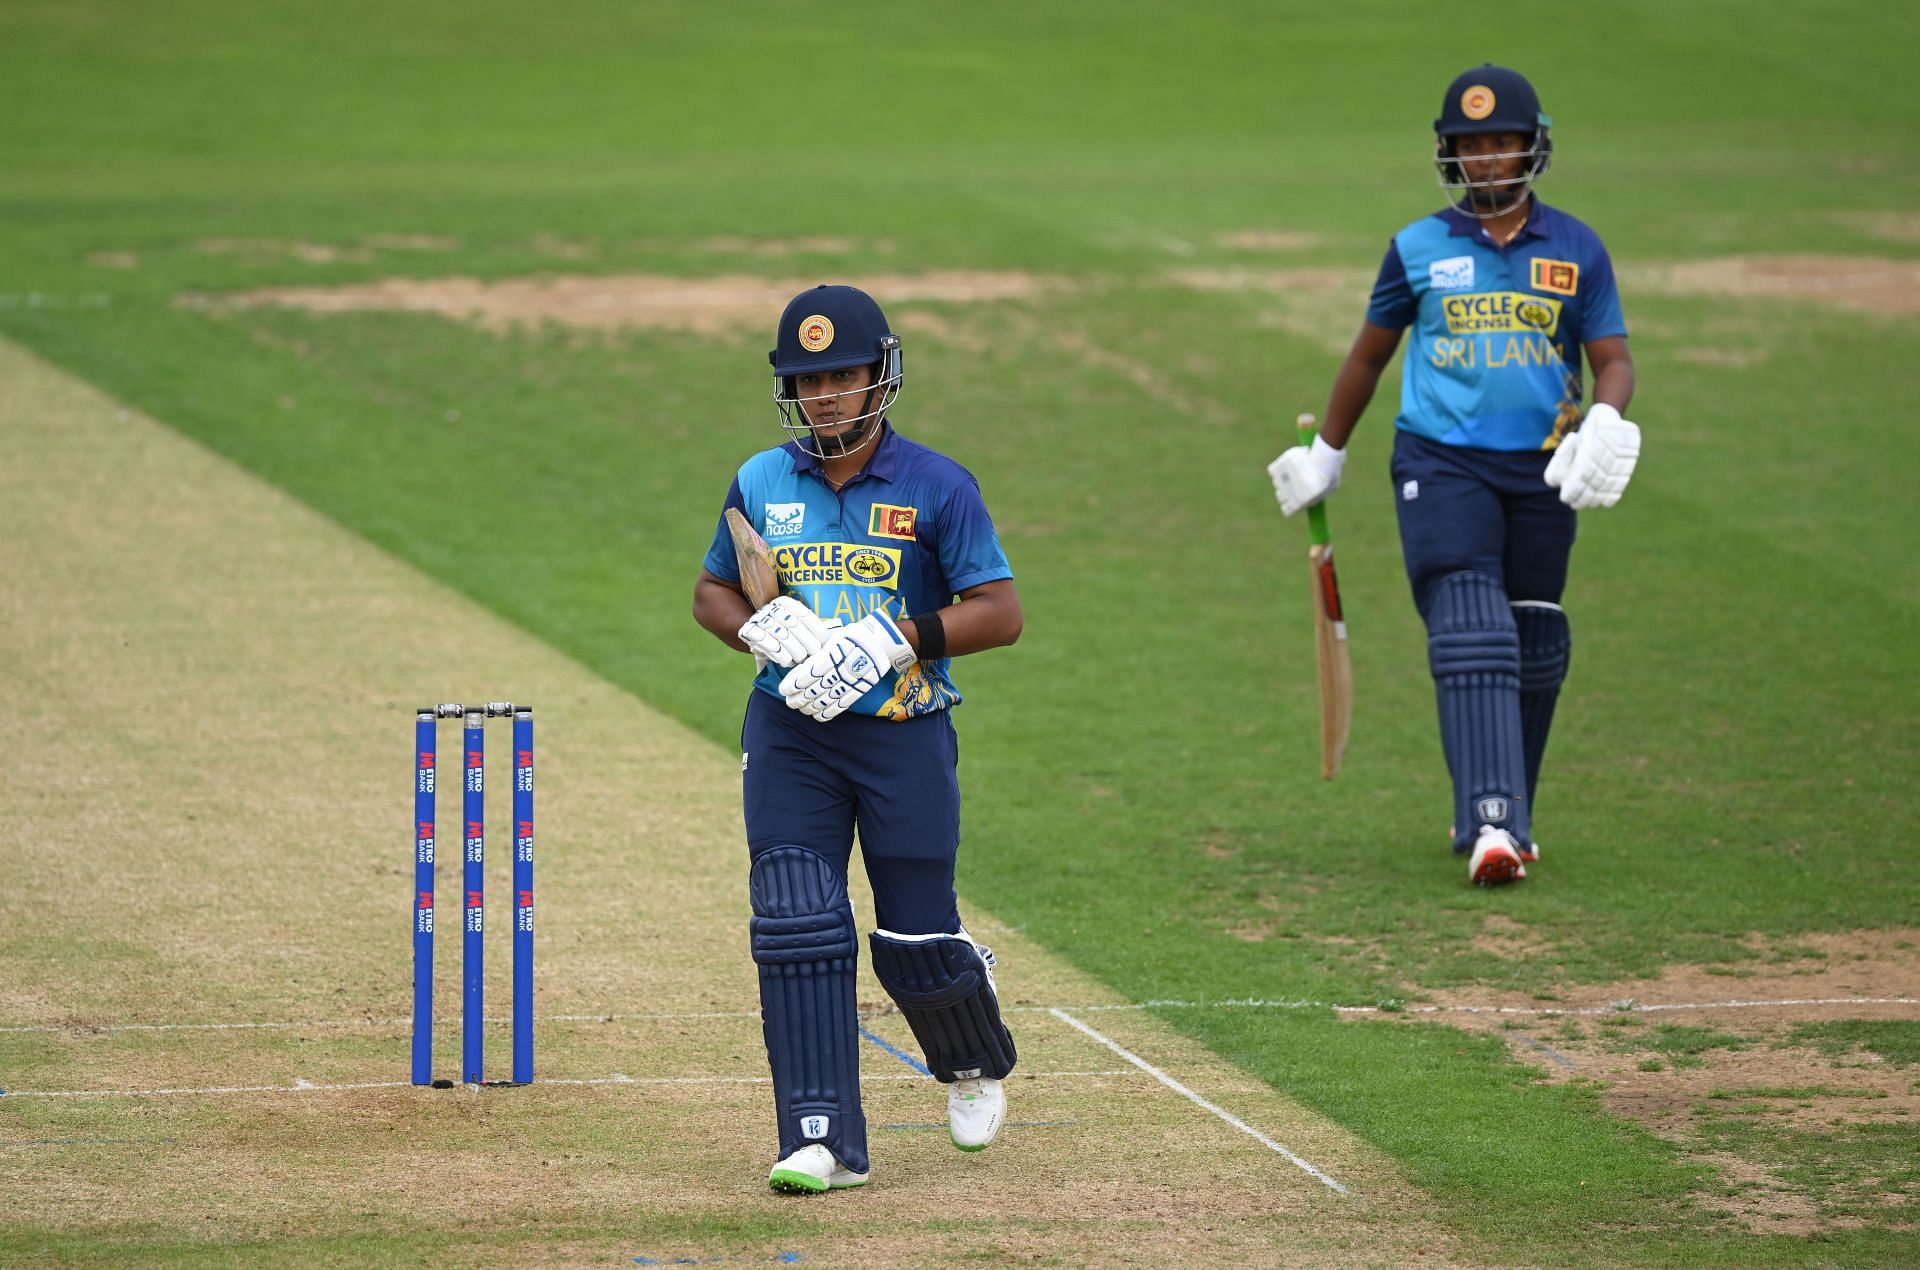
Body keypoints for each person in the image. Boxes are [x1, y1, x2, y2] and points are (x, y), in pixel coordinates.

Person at [1267, 65, 1642, 887]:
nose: (1487, 160)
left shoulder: (1577, 249)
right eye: (1471, 146)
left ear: (1531, 146)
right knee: (1473, 626)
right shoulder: (1418, 248)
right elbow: (1370, 356)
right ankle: (1491, 824)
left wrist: (1608, 419)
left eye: (1501, 142)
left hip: (1546, 468)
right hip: (1439, 463)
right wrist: (1327, 452)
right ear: (1450, 155)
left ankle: (1508, 813)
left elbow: (1612, 358)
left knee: (1536, 639)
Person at [693, 284, 1024, 1193]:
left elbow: (1000, 613)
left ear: (880, 374)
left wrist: (895, 635)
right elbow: (713, 591)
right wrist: (758, 632)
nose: (827, 393)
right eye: (809, 379)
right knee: (797, 919)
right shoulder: (762, 479)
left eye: (843, 373)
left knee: (914, 938)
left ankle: (968, 1058)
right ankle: (820, 1136)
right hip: (793, 732)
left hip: (902, 734)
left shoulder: (937, 484)